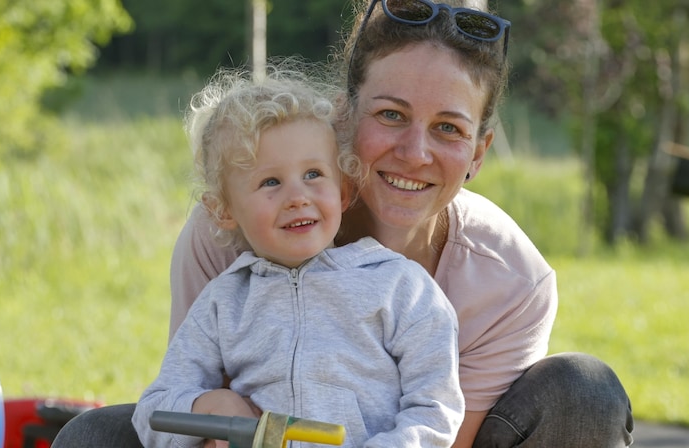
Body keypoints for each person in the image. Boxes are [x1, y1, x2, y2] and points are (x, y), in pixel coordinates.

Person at [54, 0, 635, 446]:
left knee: (584, 391)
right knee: (93, 435)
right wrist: (209, 407)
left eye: (449, 129)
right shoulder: (229, 237)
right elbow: (180, 397)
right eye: (390, 115)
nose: (414, 152)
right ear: (343, 115)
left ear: (479, 153)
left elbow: (442, 429)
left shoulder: (508, 277)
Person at [130, 66, 464, 448]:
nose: (297, 197)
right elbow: (153, 412)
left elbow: (435, 408)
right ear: (223, 210)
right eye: (270, 182)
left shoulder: (399, 286)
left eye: (313, 174)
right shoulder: (225, 302)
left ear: (342, 190)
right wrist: (212, 406)